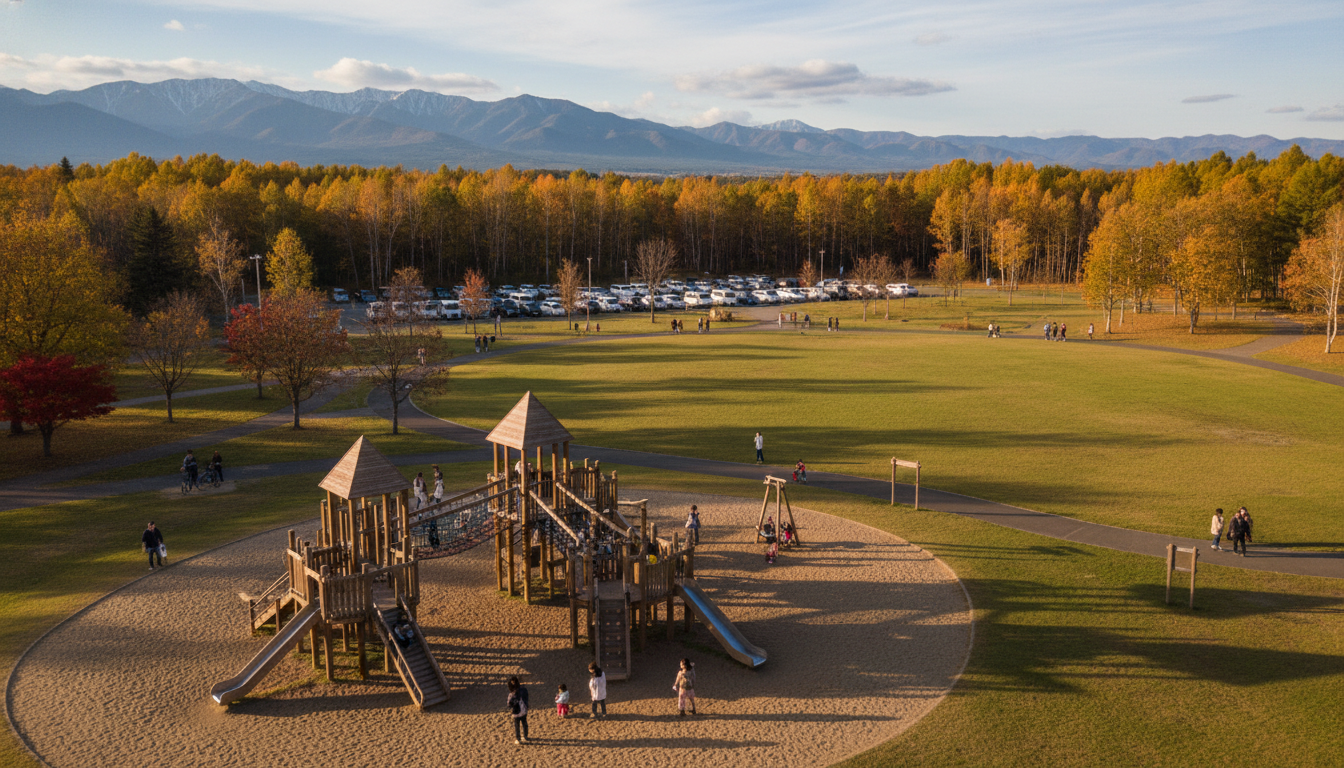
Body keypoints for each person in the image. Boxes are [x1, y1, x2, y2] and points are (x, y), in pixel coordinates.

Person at [507, 676, 530, 744]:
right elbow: (527, 697)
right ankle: (525, 736)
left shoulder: (511, 694)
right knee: (524, 723)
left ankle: (518, 739)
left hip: (516, 712)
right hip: (524, 710)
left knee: (517, 726)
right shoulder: (524, 690)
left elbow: (509, 704)